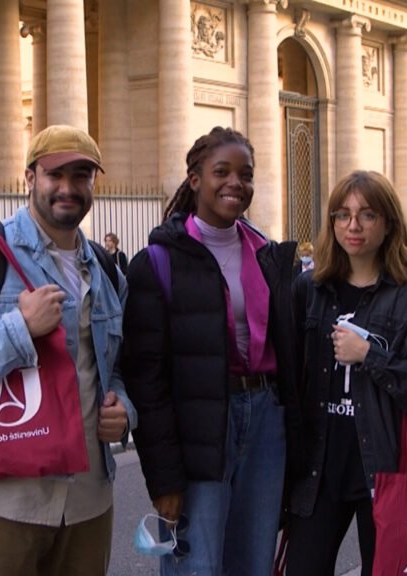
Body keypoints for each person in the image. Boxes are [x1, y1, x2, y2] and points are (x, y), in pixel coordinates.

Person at [0, 125, 135, 575]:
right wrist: (18, 329)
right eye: (55, 174)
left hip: (89, 496)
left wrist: (125, 408)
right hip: (3, 497)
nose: (68, 188)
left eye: (81, 175)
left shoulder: (107, 270)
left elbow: (118, 366)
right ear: (29, 177)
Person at [121, 126, 300, 575]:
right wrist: (163, 478)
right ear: (195, 178)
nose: (235, 183)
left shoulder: (268, 257)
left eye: (246, 174)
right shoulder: (157, 262)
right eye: (222, 171)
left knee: (254, 562)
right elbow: (147, 378)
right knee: (196, 564)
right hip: (198, 428)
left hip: (264, 421)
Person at [287, 171, 407, 575]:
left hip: (385, 466)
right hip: (318, 466)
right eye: (342, 214)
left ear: (388, 225)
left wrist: (369, 354)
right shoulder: (308, 289)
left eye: (368, 215)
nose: (353, 226)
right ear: (331, 223)